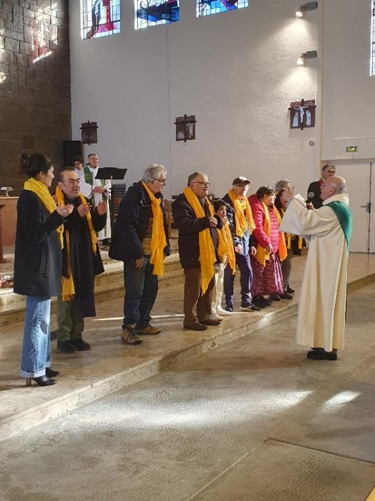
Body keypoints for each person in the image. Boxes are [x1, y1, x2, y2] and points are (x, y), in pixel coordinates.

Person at [14, 153, 74, 386]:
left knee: (43, 320)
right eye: (50, 173)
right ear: (41, 174)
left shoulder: (39, 195)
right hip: (36, 268)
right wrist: (56, 217)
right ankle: (33, 369)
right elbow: (35, 234)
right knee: (37, 319)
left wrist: (58, 216)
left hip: (44, 266)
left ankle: (43, 363)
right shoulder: (30, 197)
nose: (52, 177)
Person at [280, 176, 352, 361]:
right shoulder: (337, 208)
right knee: (324, 301)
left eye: (325, 185)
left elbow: (306, 222)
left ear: (332, 190)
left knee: (325, 300)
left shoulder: (334, 209)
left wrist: (291, 200)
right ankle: (324, 343)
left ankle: (327, 348)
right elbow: (315, 226)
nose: (321, 187)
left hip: (327, 266)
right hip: (327, 262)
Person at [109, 165, 170, 345]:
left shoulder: (156, 198)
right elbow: (127, 227)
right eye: (162, 181)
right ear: (151, 181)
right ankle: (129, 328)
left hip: (153, 252)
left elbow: (162, 226)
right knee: (135, 292)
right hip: (137, 253)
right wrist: (138, 253)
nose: (163, 185)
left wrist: (164, 249)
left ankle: (144, 323)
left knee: (151, 289)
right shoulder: (134, 196)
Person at [54, 169, 107, 354]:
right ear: (61, 185)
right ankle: (64, 338)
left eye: (77, 180)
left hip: (83, 254)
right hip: (66, 258)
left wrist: (100, 215)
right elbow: (58, 227)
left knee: (82, 295)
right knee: (66, 300)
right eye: (71, 181)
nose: (76, 184)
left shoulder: (84, 200)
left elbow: (94, 227)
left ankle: (77, 335)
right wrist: (76, 214)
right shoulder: (55, 202)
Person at [172, 172, 222, 331]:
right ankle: (190, 319)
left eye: (207, 183)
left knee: (208, 284)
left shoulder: (206, 201)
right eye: (202, 183)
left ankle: (205, 315)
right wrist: (207, 221)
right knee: (194, 287)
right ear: (192, 185)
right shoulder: (182, 203)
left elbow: (211, 220)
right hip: (192, 251)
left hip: (208, 252)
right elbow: (184, 225)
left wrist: (218, 221)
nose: (206, 185)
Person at [223, 177, 259, 312]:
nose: (244, 188)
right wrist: (235, 242)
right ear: (234, 187)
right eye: (240, 185)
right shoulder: (226, 202)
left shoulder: (244, 202)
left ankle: (245, 301)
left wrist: (251, 243)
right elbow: (229, 224)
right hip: (230, 244)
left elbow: (248, 225)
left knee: (248, 271)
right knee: (229, 274)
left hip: (243, 243)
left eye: (246, 186)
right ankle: (229, 303)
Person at [249, 186, 287, 308]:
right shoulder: (257, 207)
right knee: (258, 274)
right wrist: (266, 242)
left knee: (264, 274)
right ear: (265, 196)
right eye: (273, 196)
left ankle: (261, 296)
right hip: (262, 247)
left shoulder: (268, 207)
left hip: (270, 247)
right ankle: (256, 298)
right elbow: (257, 228)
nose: (275, 198)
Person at [211, 200, 235, 317]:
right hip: (216, 258)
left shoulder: (224, 223)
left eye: (225, 210)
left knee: (220, 283)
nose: (224, 213)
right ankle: (212, 308)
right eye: (221, 210)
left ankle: (218, 306)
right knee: (214, 285)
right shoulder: (214, 224)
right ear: (214, 211)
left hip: (224, 257)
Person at [274, 179, 298, 298]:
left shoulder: (287, 202)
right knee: (279, 265)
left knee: (287, 264)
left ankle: (284, 286)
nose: (290, 191)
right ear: (279, 190)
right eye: (287, 189)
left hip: (288, 240)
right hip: (279, 240)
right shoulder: (274, 204)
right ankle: (278, 289)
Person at [80, 153, 111, 242]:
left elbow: (109, 183)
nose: (95, 160)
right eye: (92, 158)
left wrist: (104, 188)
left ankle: (105, 238)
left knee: (104, 214)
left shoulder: (103, 171)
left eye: (96, 158)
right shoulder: (83, 171)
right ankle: (93, 236)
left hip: (102, 196)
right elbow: (81, 184)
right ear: (88, 160)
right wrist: (93, 188)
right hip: (91, 197)